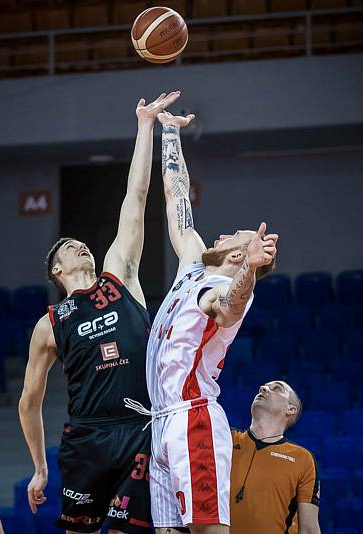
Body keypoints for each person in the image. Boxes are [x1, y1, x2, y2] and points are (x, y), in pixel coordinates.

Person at [19, 91, 182, 534]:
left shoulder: (120, 276)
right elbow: (29, 401)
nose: (82, 245)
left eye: (83, 243)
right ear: (57, 269)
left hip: (137, 428)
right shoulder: (49, 323)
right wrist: (38, 467)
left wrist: (144, 126)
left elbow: (136, 196)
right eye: (71, 246)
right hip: (86, 435)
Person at [140, 110, 278, 534]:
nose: (222, 235)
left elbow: (230, 309)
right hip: (160, 420)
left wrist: (249, 273)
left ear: (238, 256)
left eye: (233, 236)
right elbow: (176, 195)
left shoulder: (226, 289)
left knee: (206, 530)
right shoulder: (191, 263)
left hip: (192, 417)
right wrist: (169, 132)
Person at [230, 381, 321, 534]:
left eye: (277, 388)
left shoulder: (302, 459)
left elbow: (309, 529)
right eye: (263, 387)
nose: (263, 388)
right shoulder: (224, 439)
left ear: (290, 409)